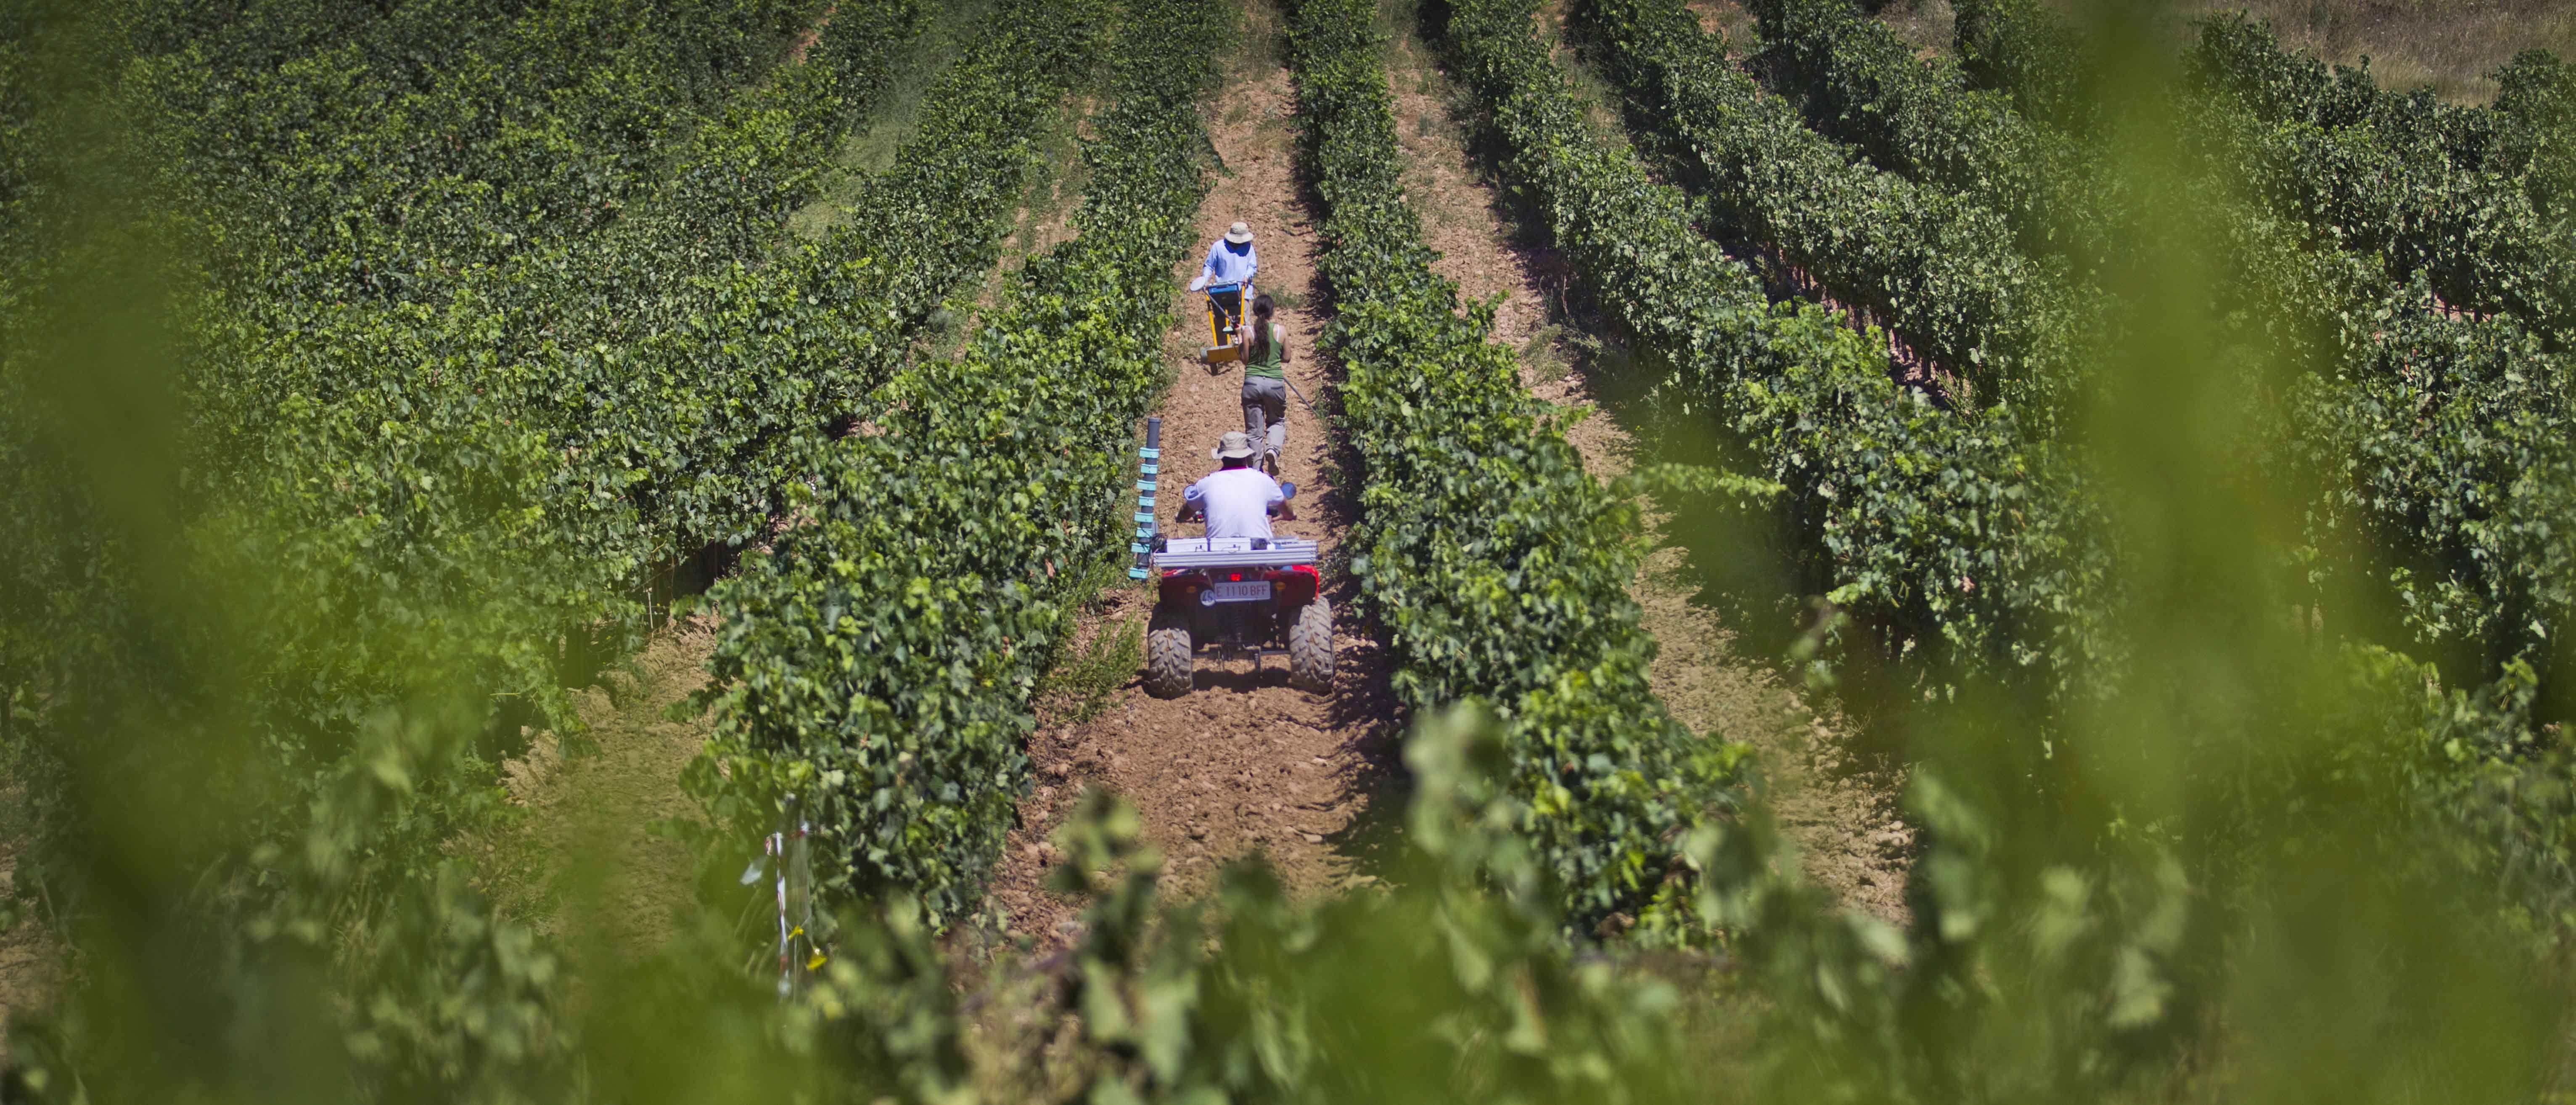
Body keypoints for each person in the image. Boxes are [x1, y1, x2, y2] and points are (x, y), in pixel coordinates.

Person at [1177, 431, 1293, 541]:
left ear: (1222, 457)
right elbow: (1285, 506)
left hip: (1219, 555)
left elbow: (1186, 511)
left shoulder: (1205, 484)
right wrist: (1290, 515)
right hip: (1257, 555)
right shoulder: (1264, 480)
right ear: (1246, 456)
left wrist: (1182, 518)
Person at [1239, 293, 1288, 475]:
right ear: (1272, 311)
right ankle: (1273, 450)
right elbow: (1287, 357)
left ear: (1255, 311)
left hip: (1252, 384)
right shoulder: (1280, 331)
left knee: (1254, 432)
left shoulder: (1248, 332)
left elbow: (1245, 360)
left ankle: (1255, 471)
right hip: (1275, 384)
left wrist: (1240, 342)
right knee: (1277, 420)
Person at [1187, 221, 1258, 294]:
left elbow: (1252, 266)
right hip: (1222, 291)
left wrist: (1247, 277)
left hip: (1243, 292)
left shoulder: (1249, 247)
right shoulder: (1218, 247)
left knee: (1244, 306)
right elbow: (1209, 266)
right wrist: (1205, 279)